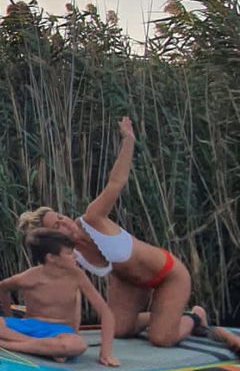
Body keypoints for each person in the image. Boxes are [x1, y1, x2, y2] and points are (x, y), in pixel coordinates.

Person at [17, 116, 216, 349]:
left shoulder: (92, 218)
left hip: (167, 274)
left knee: (161, 339)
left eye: (60, 217)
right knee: (120, 330)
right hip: (127, 281)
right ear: (53, 237)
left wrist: (128, 140)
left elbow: (116, 182)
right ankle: (164, 317)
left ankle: (194, 316)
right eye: (56, 226)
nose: (64, 223)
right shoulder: (69, 255)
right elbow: (57, 285)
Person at [0, 229, 118, 364]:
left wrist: (106, 354)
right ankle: (40, 347)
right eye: (69, 253)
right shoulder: (29, 277)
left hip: (60, 331)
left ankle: (8, 344)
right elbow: (3, 287)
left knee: (77, 345)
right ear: (51, 258)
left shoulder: (77, 276)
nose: (75, 256)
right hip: (27, 326)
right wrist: (8, 316)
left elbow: (105, 312)